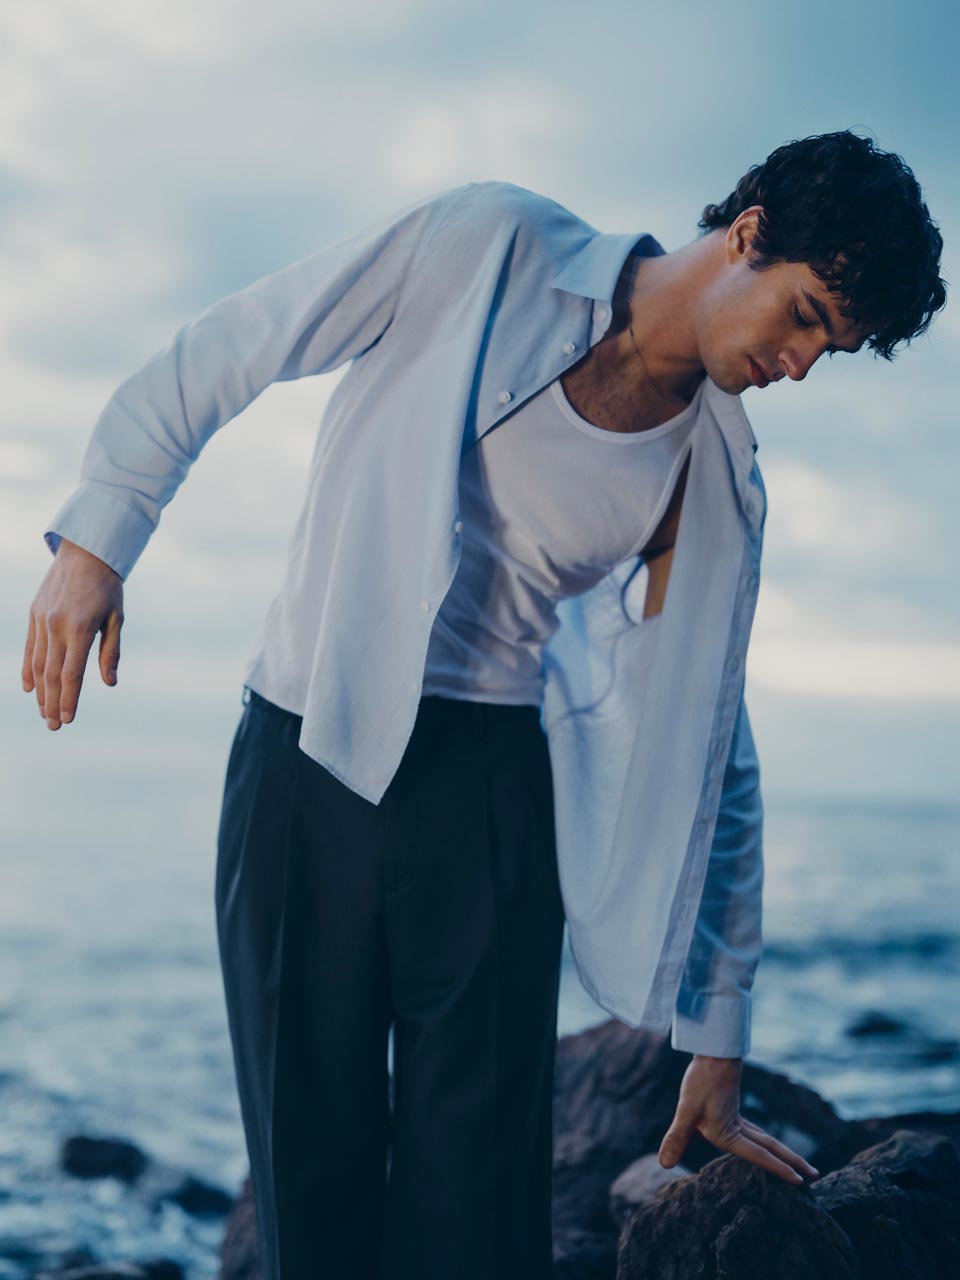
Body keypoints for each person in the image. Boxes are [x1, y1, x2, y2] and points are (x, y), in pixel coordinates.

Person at [23, 129, 946, 1279]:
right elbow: (236, 341)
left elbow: (718, 752)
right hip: (307, 750)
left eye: (833, 350)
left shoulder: (713, 479)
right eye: (806, 315)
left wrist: (717, 1033)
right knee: (314, 1177)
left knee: (479, 1214)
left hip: (492, 793)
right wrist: (98, 538)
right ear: (749, 233)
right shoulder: (489, 245)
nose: (802, 364)